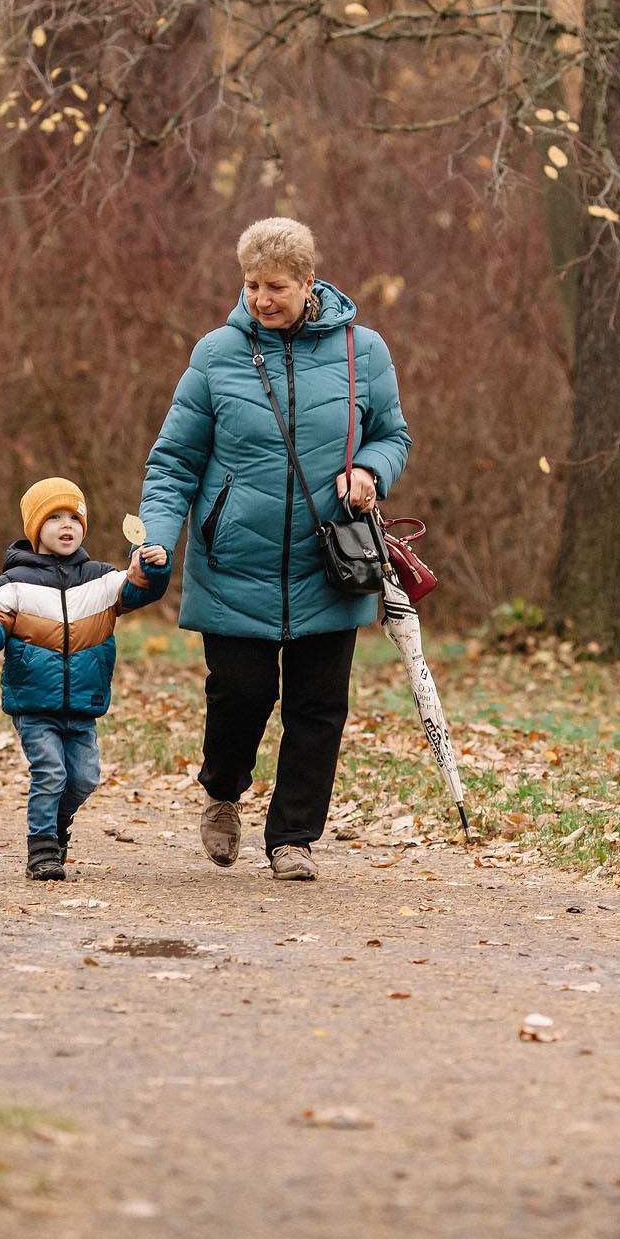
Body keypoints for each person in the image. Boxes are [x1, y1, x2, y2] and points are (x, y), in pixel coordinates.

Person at [137, 218, 411, 881]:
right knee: (240, 694)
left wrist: (371, 472)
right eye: (252, 285)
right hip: (236, 560)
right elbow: (173, 463)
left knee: (319, 708)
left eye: (277, 287)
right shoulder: (216, 354)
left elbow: (393, 435)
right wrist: (156, 537)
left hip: (331, 562)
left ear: (309, 283)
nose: (262, 299)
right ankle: (224, 793)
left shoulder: (362, 351)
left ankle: (292, 838)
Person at [0, 477, 170, 881]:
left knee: (85, 778)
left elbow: (138, 590)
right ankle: (41, 849)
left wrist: (151, 567)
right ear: (36, 528)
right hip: (34, 703)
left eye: (74, 516)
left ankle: (57, 824)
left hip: (83, 705)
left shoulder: (101, 579)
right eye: (54, 517)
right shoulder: (15, 583)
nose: (66, 525)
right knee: (51, 772)